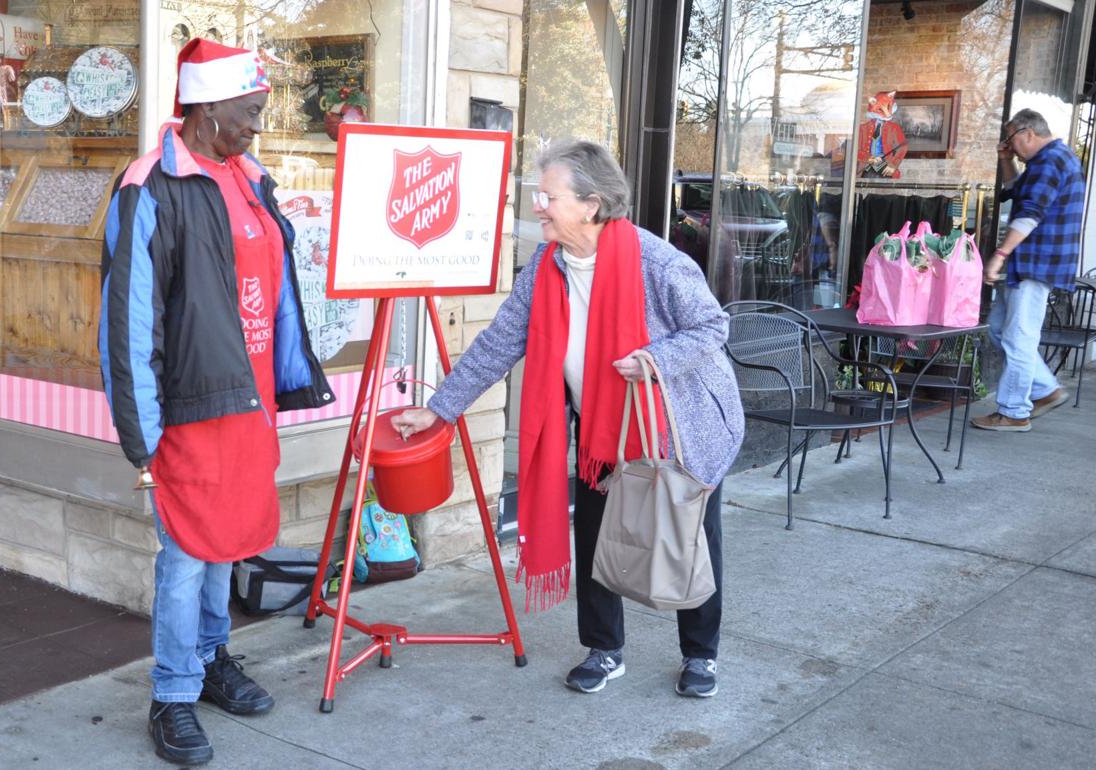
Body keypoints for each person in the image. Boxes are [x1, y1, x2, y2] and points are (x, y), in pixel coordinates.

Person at [392, 140, 744, 698]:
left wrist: (655, 360)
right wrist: (440, 407)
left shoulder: (658, 262)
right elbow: (500, 341)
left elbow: (710, 328)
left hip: (682, 426)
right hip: (604, 431)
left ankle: (701, 655)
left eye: (548, 195)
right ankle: (604, 650)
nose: (538, 205)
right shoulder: (547, 266)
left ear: (591, 204)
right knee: (596, 532)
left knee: (690, 538)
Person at [99, 39, 334, 765]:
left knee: (227, 540)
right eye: (250, 111)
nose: (258, 126)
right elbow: (132, 318)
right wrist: (141, 433)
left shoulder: (249, 176)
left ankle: (209, 659)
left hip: (247, 399)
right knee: (185, 554)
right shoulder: (151, 186)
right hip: (190, 406)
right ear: (206, 106)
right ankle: (172, 692)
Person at [971, 108, 1083, 432]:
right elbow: (1017, 193)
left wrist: (999, 255)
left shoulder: (1049, 162)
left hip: (1036, 263)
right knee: (1001, 329)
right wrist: (1006, 159)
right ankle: (1045, 389)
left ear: (1028, 133)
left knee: (1018, 338)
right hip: (1033, 263)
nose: (1011, 146)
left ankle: (1014, 412)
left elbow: (1029, 213)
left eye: (1011, 139)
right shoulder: (1048, 161)